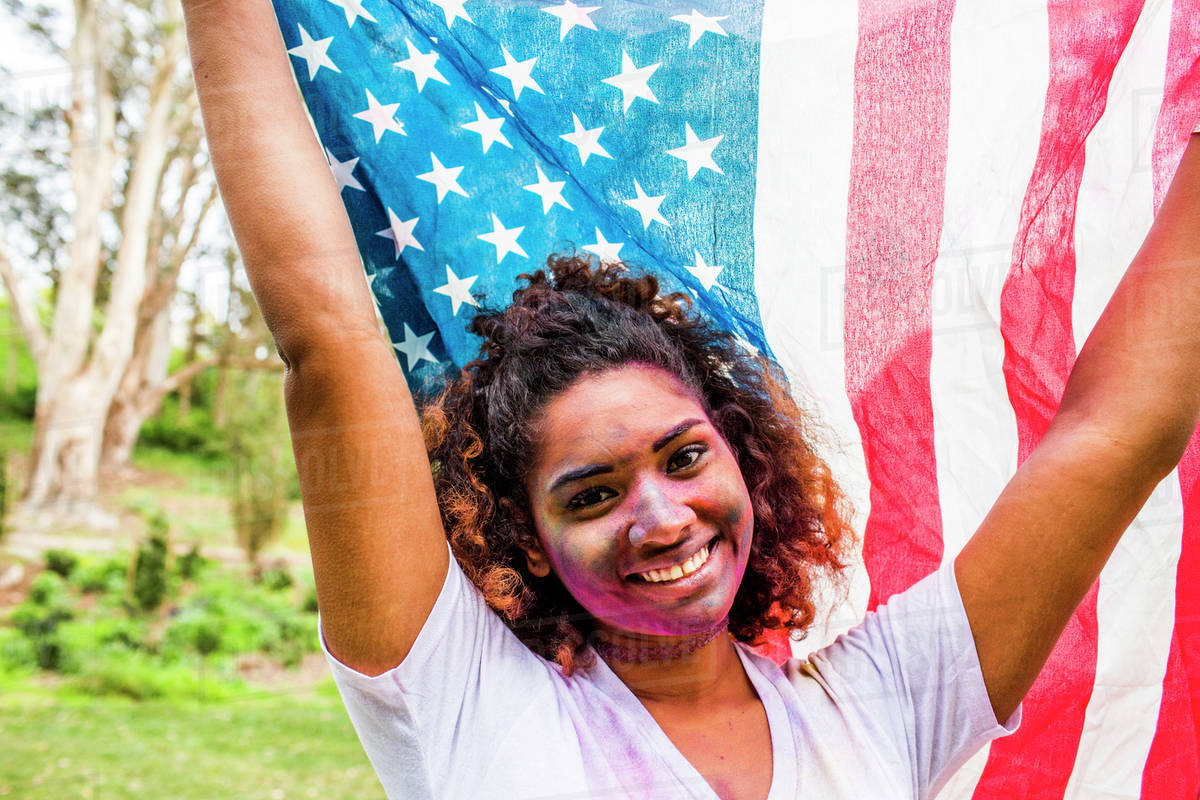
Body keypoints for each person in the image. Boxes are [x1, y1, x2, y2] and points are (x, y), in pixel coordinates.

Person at [180, 1, 1200, 798]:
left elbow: (1113, 433)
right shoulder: (455, 695)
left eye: (684, 455)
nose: (662, 515)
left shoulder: (882, 704)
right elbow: (329, 339)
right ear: (527, 538)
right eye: (589, 493)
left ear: (744, 458)